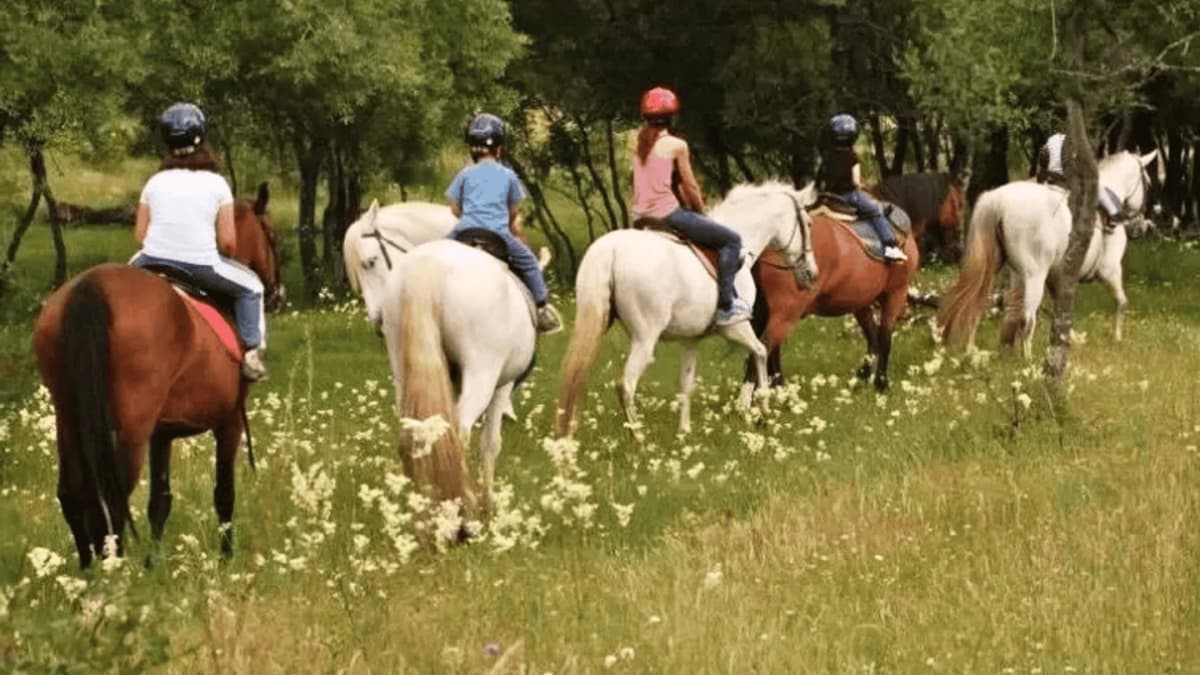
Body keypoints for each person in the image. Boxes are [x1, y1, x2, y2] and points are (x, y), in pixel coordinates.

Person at [131, 102, 268, 381]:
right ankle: (252, 354)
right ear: (201, 138)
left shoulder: (154, 182)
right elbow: (228, 242)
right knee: (252, 286)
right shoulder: (217, 183)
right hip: (199, 265)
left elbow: (140, 236)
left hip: (149, 260)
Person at [631, 86, 751, 326]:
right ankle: (726, 304)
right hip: (668, 214)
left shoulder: (636, 143)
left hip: (639, 217)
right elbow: (691, 186)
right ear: (672, 117)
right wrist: (701, 212)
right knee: (732, 241)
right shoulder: (677, 145)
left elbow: (634, 182)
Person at [446, 113, 561, 333]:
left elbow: (453, 208)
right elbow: (513, 212)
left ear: (473, 147)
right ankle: (542, 308)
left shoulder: (465, 173)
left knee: (434, 253)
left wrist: (470, 216)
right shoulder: (508, 175)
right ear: (499, 147)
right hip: (498, 235)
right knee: (528, 261)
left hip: (464, 232)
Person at [818, 114, 908, 263]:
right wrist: (862, 185)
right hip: (849, 196)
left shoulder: (827, 156)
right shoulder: (852, 157)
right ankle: (890, 247)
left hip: (829, 197)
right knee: (876, 211)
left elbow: (821, 178)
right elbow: (855, 181)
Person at [1036, 131, 1122, 226]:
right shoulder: (1072, 143)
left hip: (1048, 179)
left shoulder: (1050, 141)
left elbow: (1043, 159)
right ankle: (1114, 215)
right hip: (1063, 180)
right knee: (1099, 188)